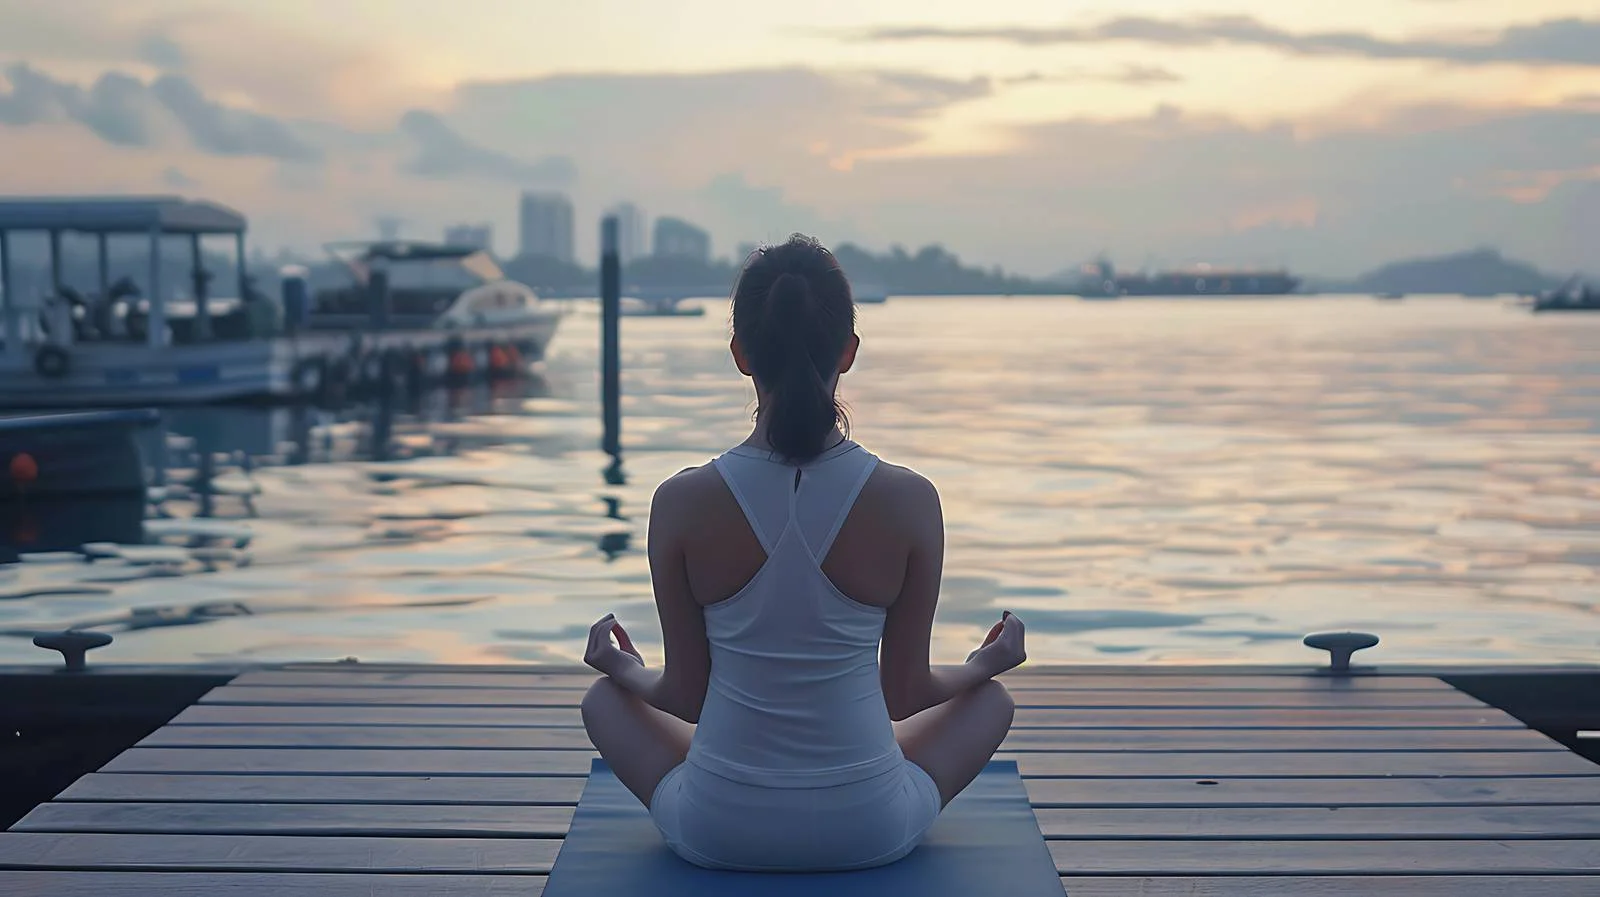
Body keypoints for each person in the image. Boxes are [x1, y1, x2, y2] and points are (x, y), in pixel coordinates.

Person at [581, 234, 1026, 872]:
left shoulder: (681, 500)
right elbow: (904, 694)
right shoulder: (909, 499)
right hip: (868, 828)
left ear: (740, 354)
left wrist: (619, 668)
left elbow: (684, 695)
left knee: (602, 700)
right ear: (847, 352)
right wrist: (987, 664)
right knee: (992, 701)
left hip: (716, 829)